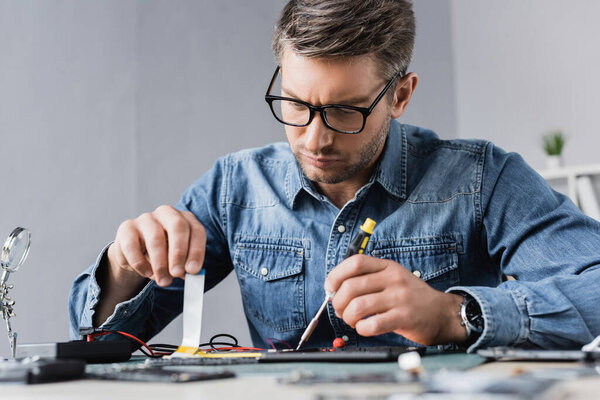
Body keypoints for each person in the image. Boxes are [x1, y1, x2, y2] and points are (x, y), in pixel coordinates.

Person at [69, 0, 600, 352]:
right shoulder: (236, 187)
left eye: (346, 111)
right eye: (296, 105)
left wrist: (453, 315)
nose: (314, 139)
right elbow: (102, 341)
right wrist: (124, 266)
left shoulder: (482, 178)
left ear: (400, 95)